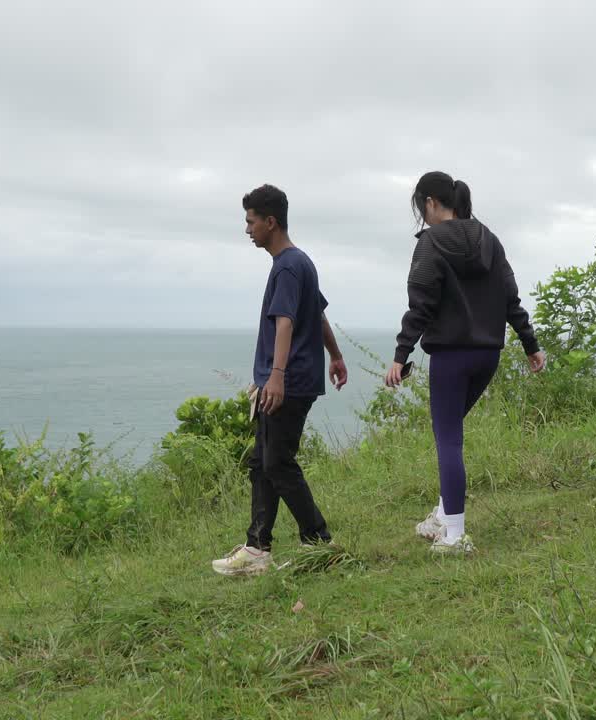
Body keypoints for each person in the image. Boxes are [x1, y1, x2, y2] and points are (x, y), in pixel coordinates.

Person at [386, 171, 547, 554]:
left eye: (420, 206)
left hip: (450, 357)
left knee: (448, 439)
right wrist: (531, 344)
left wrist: (400, 355)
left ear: (430, 202)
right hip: (487, 356)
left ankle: (455, 535)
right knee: (451, 430)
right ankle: (443, 515)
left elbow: (421, 305)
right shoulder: (489, 239)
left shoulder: (431, 243)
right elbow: (510, 297)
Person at [213, 184, 348, 575]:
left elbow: (286, 321)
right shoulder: (299, 262)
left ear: (270, 222)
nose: (247, 229)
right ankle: (258, 547)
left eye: (251, 221)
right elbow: (317, 314)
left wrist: (276, 376)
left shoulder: (288, 266)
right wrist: (336, 355)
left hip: (287, 382)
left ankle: (319, 541)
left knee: (277, 463)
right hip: (292, 378)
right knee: (263, 462)